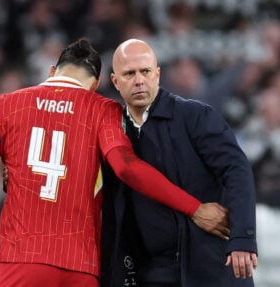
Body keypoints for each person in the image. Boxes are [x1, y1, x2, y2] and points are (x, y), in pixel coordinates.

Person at [0, 38, 229, 287]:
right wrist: (193, 208)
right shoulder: (103, 110)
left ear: (52, 72)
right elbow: (127, 168)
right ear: (96, 84)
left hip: (22, 261)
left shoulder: (7, 105)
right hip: (81, 269)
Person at [101, 39, 258, 287]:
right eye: (129, 74)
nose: (139, 80)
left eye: (145, 71)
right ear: (115, 81)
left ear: (158, 74)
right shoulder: (113, 135)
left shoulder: (194, 116)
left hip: (210, 269)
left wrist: (242, 238)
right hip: (151, 274)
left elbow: (236, 169)